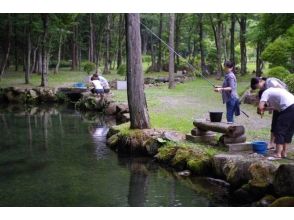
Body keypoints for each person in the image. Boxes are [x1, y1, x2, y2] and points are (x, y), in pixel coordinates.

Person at [251, 76, 288, 149]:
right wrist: (264, 109)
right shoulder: (264, 90)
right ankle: (271, 144)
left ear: (260, 81)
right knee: (274, 124)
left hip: (285, 104)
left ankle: (282, 147)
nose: (259, 88)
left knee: (282, 126)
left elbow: (281, 90)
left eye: (257, 86)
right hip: (277, 105)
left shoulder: (270, 81)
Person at [258, 87, 294, 158]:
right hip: (292, 105)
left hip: (288, 108)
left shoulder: (265, 92)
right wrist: (265, 109)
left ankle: (278, 153)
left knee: (280, 130)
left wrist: (260, 109)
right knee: (289, 130)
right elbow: (275, 108)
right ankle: (284, 153)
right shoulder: (275, 92)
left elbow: (260, 106)